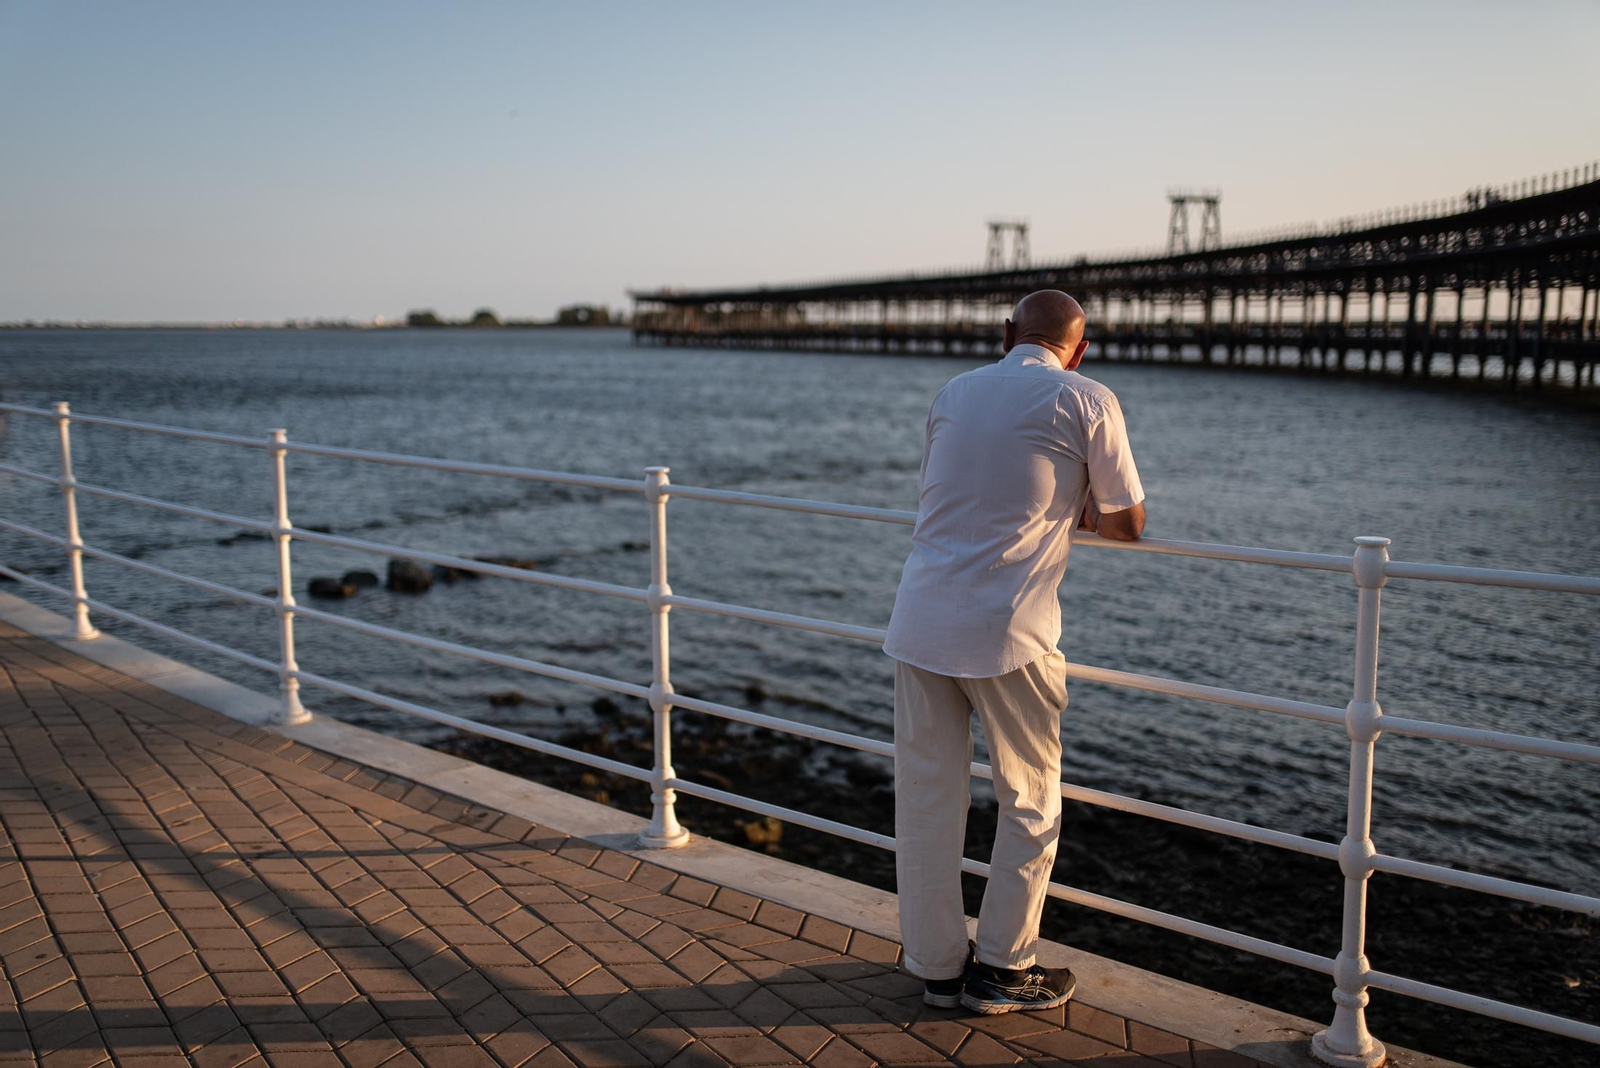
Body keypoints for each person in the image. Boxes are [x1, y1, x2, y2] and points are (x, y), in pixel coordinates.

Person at [884, 290, 1145, 1014]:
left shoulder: (952, 393)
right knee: (1029, 802)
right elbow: (1127, 522)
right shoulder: (1089, 399)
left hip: (921, 621)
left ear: (1007, 335)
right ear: (1079, 350)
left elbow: (947, 492)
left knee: (927, 803)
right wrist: (1080, 503)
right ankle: (1002, 969)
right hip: (1011, 632)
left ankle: (938, 969)